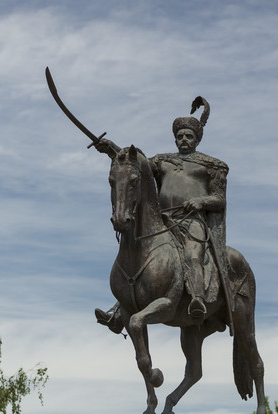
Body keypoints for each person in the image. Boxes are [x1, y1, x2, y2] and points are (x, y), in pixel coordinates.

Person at [94, 97, 233, 334]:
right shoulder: (163, 161)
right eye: (180, 136)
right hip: (164, 221)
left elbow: (219, 199)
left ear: (197, 139)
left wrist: (201, 201)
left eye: (189, 136)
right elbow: (136, 163)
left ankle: (197, 298)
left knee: (192, 253)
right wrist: (111, 148)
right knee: (138, 255)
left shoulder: (211, 165)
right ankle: (120, 308)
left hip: (192, 221)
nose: (184, 140)